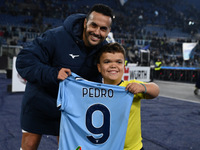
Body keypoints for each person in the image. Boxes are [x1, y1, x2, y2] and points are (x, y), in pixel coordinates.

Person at [16, 4, 113, 150]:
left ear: (108, 31)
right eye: (94, 25)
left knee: (68, 147)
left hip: (70, 109)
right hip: (40, 102)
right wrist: (54, 73)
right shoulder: (56, 37)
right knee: (29, 146)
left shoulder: (104, 50)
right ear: (85, 23)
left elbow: (107, 78)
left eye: (103, 29)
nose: (97, 32)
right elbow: (24, 61)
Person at [96, 42, 160, 150]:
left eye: (118, 62)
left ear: (124, 66)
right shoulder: (93, 91)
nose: (113, 65)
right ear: (99, 67)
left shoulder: (131, 86)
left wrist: (143, 88)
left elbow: (155, 90)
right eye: (107, 62)